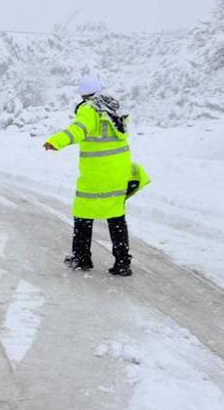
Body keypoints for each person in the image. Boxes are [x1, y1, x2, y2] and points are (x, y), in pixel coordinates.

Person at [43, 76, 150, 277]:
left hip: (97, 173)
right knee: (116, 216)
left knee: (83, 214)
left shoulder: (89, 109)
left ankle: (82, 258)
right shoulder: (114, 109)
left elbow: (78, 130)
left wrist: (56, 142)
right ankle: (122, 263)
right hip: (119, 172)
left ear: (83, 95)